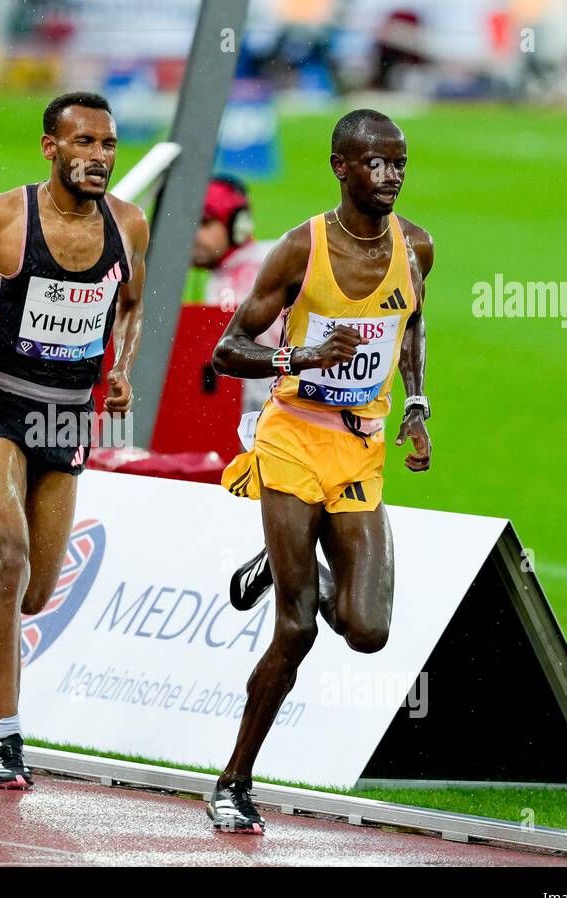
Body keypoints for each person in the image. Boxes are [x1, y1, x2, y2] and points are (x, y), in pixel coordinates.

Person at [207, 109, 433, 831]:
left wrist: (417, 406)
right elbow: (227, 348)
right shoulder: (300, 250)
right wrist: (298, 358)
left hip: (360, 447)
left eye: (400, 162)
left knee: (367, 631)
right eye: (376, 162)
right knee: (298, 627)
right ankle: (234, 782)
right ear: (341, 166)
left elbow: (412, 323)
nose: (391, 175)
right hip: (294, 439)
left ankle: (285, 562)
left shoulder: (417, 248)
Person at [0, 92, 148, 788]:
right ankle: (6, 738)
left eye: (108, 145)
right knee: (7, 556)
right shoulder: (0, 216)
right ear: (51, 148)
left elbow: (132, 305)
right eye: (83, 143)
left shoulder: (129, 224)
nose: (98, 158)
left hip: (68, 415)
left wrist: (124, 370)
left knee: (36, 596)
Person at [192, 174, 281, 413]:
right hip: (253, 414)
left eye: (205, 222)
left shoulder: (266, 265)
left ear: (237, 225)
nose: (193, 235)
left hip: (279, 415)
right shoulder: (223, 273)